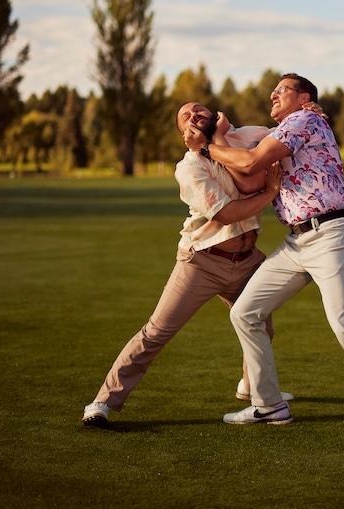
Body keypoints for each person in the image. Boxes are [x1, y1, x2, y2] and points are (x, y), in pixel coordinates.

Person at [182, 73, 344, 443]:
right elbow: (246, 178)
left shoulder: (304, 120)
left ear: (305, 97)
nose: (273, 94)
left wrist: (207, 147)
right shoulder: (281, 131)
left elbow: (250, 161)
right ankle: (268, 404)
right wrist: (218, 140)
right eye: (273, 90)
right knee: (245, 312)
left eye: (283, 89)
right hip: (298, 243)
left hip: (331, 234)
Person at [81, 101, 291, 428]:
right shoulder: (190, 167)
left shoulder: (240, 138)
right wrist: (271, 192)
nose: (193, 115)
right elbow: (224, 214)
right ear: (183, 133)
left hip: (247, 258)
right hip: (203, 262)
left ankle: (253, 389)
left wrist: (308, 114)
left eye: (198, 110)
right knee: (156, 333)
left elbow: (285, 134)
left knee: (261, 325)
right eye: (184, 116)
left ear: (213, 115)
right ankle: (102, 402)